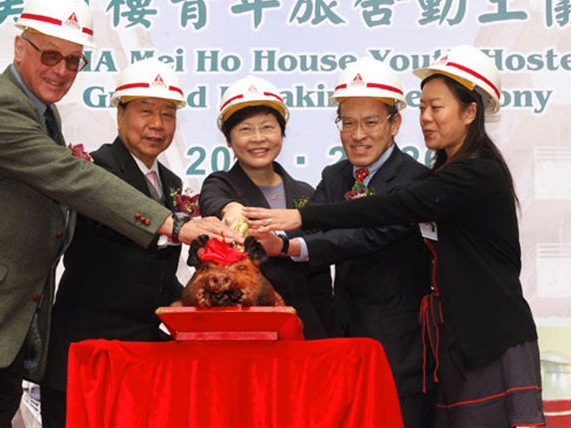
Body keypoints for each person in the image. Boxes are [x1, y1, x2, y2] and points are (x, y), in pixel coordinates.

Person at [0, 0, 238, 428]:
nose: (61, 70)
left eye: (74, 60)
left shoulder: (42, 112)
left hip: (1, 329)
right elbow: (72, 178)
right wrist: (174, 223)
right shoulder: (2, 110)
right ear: (20, 46)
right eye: (50, 55)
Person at [246, 45, 544, 428]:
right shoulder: (446, 170)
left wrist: (297, 219)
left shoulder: (472, 174)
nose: (426, 118)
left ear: (471, 112)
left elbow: (386, 211)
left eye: (436, 108)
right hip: (456, 341)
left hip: (486, 336)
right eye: (423, 107)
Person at [281, 58, 435, 427]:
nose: (357, 134)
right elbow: (310, 225)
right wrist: (269, 237)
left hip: (399, 348)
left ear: (394, 124)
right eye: (347, 122)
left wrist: (291, 247)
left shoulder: (416, 181)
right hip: (345, 340)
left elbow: (366, 234)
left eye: (370, 122)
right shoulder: (335, 175)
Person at [40, 58, 190, 428]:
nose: (157, 125)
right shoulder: (95, 171)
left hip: (140, 360)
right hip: (86, 355)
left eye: (168, 114)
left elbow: (156, 272)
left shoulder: (170, 183)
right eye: (145, 111)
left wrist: (197, 304)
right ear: (120, 114)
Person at [199, 76, 326, 339]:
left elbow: (320, 270)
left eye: (268, 127)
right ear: (229, 140)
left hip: (304, 326)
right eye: (245, 129)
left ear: (281, 133)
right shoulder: (220, 183)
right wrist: (232, 210)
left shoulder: (306, 193)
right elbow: (215, 204)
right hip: (241, 327)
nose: (258, 139)